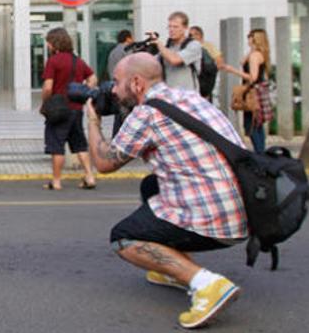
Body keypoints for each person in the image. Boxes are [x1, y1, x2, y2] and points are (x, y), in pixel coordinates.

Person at [84, 53, 247, 329]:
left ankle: (207, 284)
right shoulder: (191, 97)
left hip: (220, 222)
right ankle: (172, 270)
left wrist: (92, 121)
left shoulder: (147, 113)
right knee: (151, 185)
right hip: (245, 210)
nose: (112, 90)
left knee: (123, 238)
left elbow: (103, 162)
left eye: (116, 82)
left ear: (136, 83)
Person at [40, 27, 98, 191]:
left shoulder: (54, 61)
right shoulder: (76, 60)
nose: (48, 46)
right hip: (76, 108)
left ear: (54, 43)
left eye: (49, 43)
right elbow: (93, 77)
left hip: (58, 109)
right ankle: (89, 176)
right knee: (79, 143)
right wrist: (84, 90)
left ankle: (56, 181)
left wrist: (45, 103)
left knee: (57, 145)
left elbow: (48, 87)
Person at [220, 28, 271, 153]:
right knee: (256, 123)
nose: (248, 38)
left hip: (252, 91)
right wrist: (251, 49)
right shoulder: (258, 53)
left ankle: (259, 152)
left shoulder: (254, 56)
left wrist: (232, 70)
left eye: (250, 36)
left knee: (252, 124)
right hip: (257, 91)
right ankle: (261, 152)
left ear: (255, 39)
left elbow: (253, 77)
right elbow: (242, 61)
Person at [150, 12, 203, 92]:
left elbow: (175, 60)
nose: (171, 30)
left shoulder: (194, 45)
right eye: (169, 27)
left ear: (185, 28)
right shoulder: (168, 47)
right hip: (170, 97)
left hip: (187, 98)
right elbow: (152, 64)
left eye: (175, 27)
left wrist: (159, 44)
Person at [108, 29, 134, 136]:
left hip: (115, 86)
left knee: (118, 116)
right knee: (126, 116)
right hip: (126, 88)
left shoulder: (113, 52)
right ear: (128, 38)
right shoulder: (127, 50)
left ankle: (116, 137)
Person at [189, 25, 224, 102]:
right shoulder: (188, 47)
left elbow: (219, 61)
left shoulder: (208, 46)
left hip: (205, 80)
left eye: (195, 34)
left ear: (201, 35)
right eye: (190, 35)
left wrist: (210, 77)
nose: (192, 37)